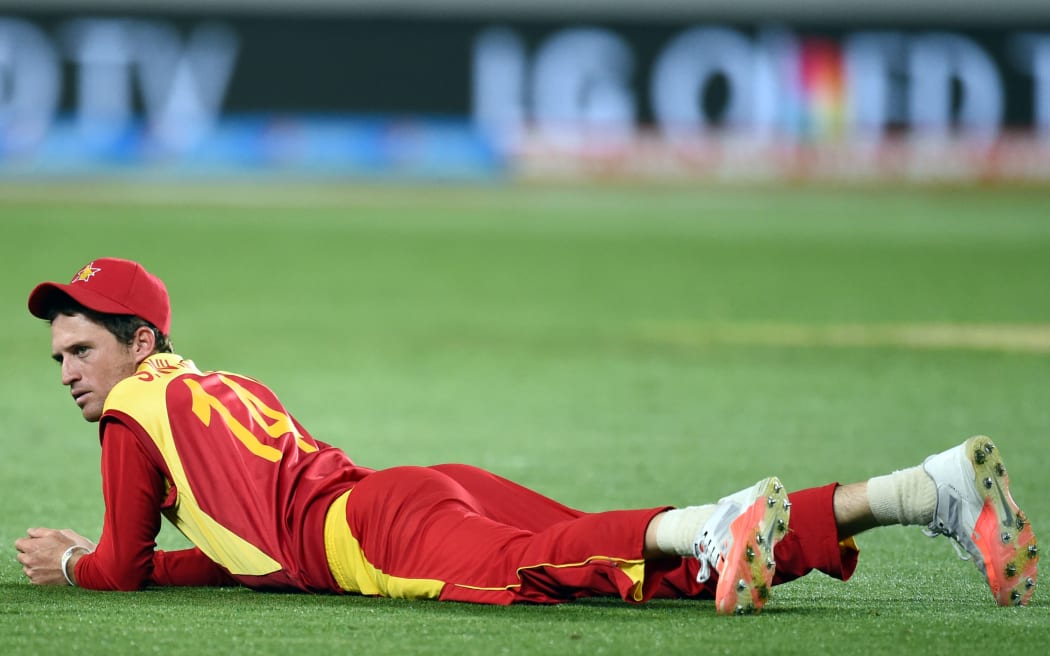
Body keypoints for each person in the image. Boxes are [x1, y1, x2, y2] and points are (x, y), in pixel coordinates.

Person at [14, 258, 1039, 614]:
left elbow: (124, 564)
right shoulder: (213, 384)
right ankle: (925, 488)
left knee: (555, 562)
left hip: (367, 536)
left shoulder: (131, 414)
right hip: (404, 488)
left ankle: (722, 519)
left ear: (140, 338)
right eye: (58, 353)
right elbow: (245, 557)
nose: (68, 370)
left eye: (79, 347)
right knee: (651, 565)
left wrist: (71, 565)